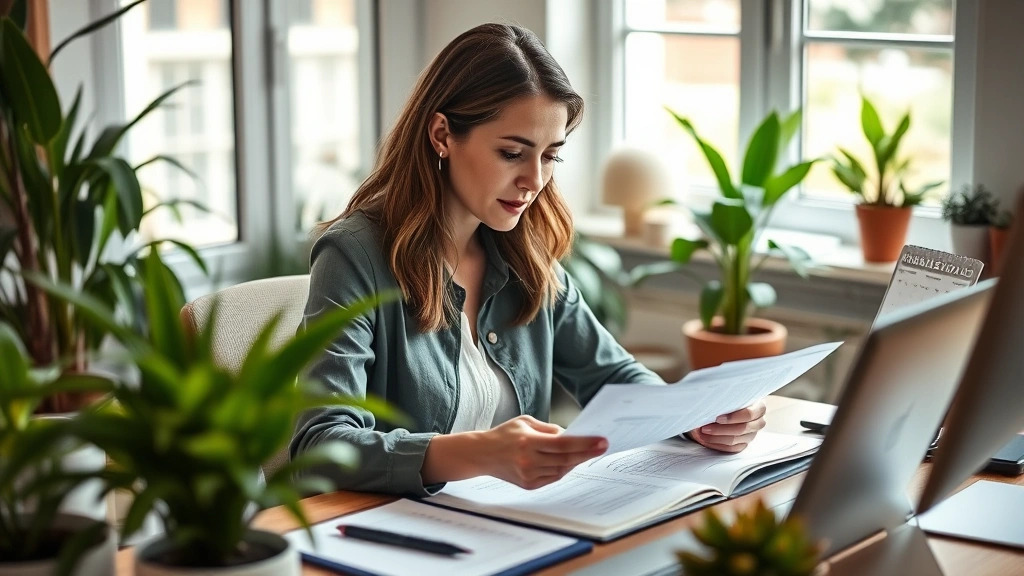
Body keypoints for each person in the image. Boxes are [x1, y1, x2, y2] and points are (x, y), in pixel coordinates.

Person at [290, 23, 767, 496]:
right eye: (512, 152)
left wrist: (696, 416)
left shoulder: (525, 255)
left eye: (550, 156)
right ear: (442, 134)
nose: (534, 180)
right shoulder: (356, 254)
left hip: (512, 531)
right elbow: (322, 444)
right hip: (387, 537)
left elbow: (614, 378)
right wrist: (480, 453)